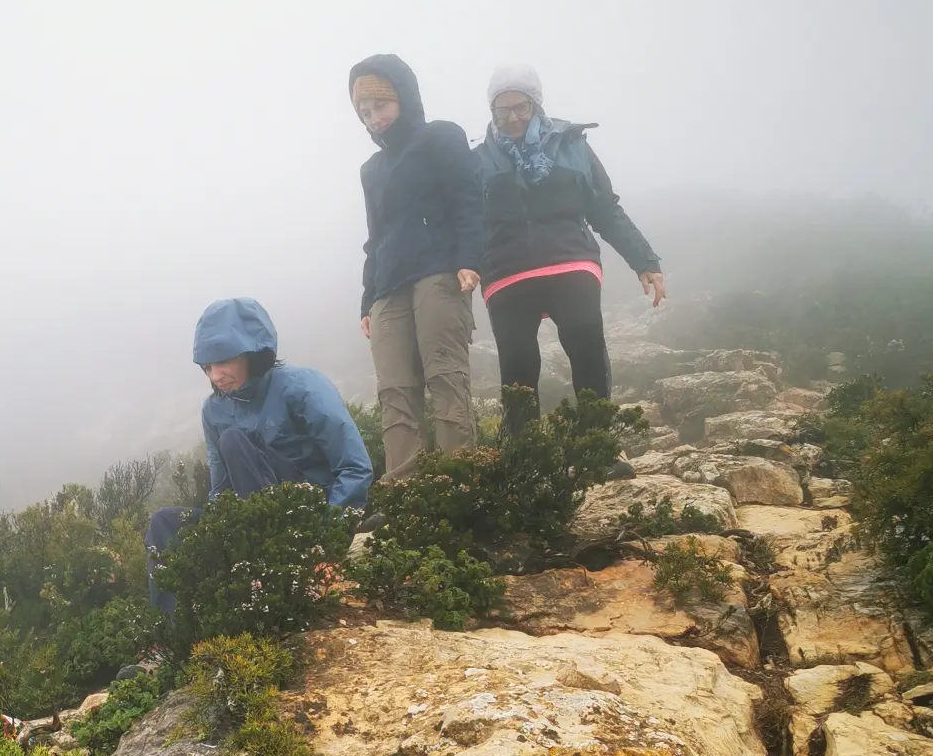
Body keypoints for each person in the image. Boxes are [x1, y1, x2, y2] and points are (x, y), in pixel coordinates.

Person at [145, 297, 372, 611]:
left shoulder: (303, 387)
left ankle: (279, 567)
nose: (215, 376)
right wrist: (212, 537)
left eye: (222, 361)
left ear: (253, 353)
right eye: (207, 367)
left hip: (310, 521)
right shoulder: (214, 410)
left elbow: (355, 468)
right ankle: (170, 638)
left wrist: (324, 535)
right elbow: (221, 490)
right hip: (253, 528)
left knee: (235, 441)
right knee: (164, 522)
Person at [475, 63, 665, 432]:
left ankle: (597, 440)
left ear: (537, 105)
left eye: (521, 107)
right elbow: (468, 223)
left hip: (570, 258)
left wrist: (644, 260)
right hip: (505, 269)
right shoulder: (478, 159)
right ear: (492, 110)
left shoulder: (572, 145)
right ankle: (522, 455)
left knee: (586, 340)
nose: (512, 117)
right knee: (517, 364)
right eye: (502, 109)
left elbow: (604, 208)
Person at [349, 53, 485, 480]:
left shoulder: (441, 137)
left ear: (404, 98)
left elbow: (468, 200)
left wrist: (470, 258)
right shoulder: (371, 169)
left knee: (445, 375)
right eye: (365, 113)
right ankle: (403, 496)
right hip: (389, 287)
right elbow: (375, 237)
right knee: (394, 390)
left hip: (439, 273)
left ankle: (458, 481)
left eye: (381, 106)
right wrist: (367, 300)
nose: (374, 119)